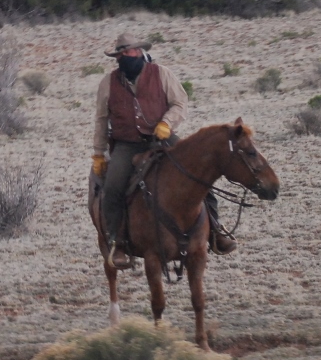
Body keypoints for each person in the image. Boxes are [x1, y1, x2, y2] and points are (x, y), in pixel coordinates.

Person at [91, 33, 235, 269]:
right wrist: (98, 153)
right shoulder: (108, 83)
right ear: (118, 57)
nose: (129, 56)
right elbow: (101, 119)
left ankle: (217, 231)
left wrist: (167, 123)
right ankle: (118, 243)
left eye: (133, 51)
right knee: (113, 188)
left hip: (162, 137)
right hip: (126, 144)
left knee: (199, 176)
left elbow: (180, 102)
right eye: (124, 53)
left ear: (140, 52)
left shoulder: (162, 73)